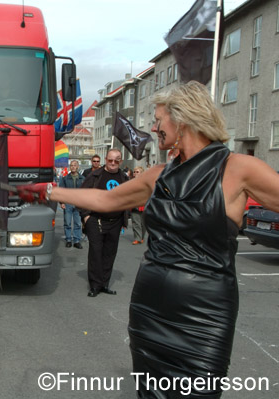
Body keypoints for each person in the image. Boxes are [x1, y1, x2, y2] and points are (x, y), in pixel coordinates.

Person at [14, 81, 279, 397]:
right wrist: (48, 191)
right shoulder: (158, 175)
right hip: (150, 311)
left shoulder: (238, 169)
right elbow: (105, 201)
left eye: (158, 119)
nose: (154, 127)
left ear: (181, 120)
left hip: (205, 317)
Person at [79, 148, 128, 297]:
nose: (113, 163)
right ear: (105, 159)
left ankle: (104, 284)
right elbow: (81, 195)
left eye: (116, 161)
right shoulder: (95, 176)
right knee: (95, 252)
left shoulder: (124, 178)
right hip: (96, 220)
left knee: (109, 254)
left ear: (120, 161)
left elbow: (130, 197)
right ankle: (95, 285)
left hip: (115, 221)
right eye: (110, 160)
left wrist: (125, 218)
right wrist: (86, 216)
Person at [58, 160, 84, 248]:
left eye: (75, 165)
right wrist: (62, 202)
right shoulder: (65, 178)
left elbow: (85, 192)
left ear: (78, 167)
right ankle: (68, 239)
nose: (73, 167)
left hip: (78, 204)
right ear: (70, 167)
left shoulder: (82, 179)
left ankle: (77, 240)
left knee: (78, 223)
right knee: (67, 223)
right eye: (71, 165)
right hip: (68, 203)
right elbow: (61, 191)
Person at [130, 166, 145, 245]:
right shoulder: (131, 182)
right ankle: (137, 238)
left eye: (137, 172)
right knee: (136, 223)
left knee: (143, 224)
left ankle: (142, 237)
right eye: (134, 172)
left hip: (144, 205)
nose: (135, 173)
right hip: (134, 205)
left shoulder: (146, 182)